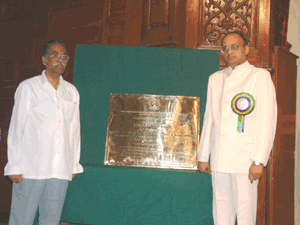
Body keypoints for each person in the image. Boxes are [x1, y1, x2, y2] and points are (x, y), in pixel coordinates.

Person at [197, 32, 277, 225]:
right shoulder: (215, 79)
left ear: (246, 49)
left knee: (245, 213)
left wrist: (259, 160)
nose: (229, 52)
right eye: (225, 48)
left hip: (245, 159)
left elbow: (267, 120)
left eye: (235, 46)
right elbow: (210, 118)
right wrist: (203, 155)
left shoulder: (260, 77)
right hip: (219, 157)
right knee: (221, 212)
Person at [4, 39, 84, 225]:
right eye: (54, 55)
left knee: (51, 220)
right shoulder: (28, 87)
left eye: (64, 56)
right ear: (44, 60)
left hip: (59, 169)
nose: (60, 60)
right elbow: (17, 128)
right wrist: (14, 165)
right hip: (31, 167)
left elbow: (74, 131)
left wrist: (73, 164)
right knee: (21, 219)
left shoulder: (71, 92)